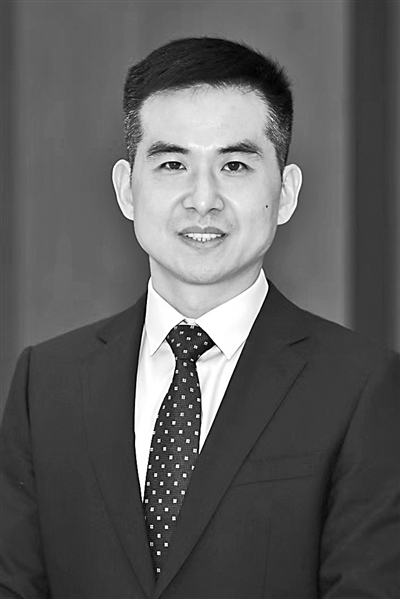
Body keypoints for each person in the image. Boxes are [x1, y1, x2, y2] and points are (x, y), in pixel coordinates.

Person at [1, 37, 399, 599]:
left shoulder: (363, 387)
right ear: (127, 189)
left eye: (234, 165)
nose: (202, 198)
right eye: (172, 164)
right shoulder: (46, 383)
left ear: (285, 193)